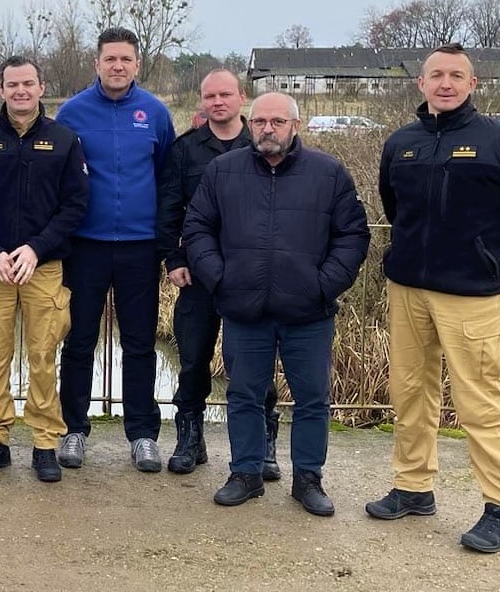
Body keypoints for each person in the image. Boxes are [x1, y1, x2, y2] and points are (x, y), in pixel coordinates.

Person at [366, 44, 500, 553]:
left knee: (482, 401)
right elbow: (394, 207)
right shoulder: (401, 142)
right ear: (420, 83)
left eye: (456, 76)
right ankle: (413, 487)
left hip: (473, 296)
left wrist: (497, 268)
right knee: (409, 391)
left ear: (473, 84)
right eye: (436, 75)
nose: (445, 83)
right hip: (408, 289)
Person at [183, 92, 370, 517]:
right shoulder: (222, 171)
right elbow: (197, 229)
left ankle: (308, 479)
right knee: (244, 395)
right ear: (250, 125)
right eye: (260, 122)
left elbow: (353, 235)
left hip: (308, 311)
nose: (268, 129)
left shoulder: (328, 173)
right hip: (244, 309)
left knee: (312, 398)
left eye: (278, 122)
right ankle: (245, 474)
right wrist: (221, 279)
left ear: (295, 126)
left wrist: (323, 285)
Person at [0, 57, 87, 483]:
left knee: (43, 356)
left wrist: (36, 248)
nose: (20, 91)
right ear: (1, 90)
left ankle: (45, 442)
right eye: (12, 84)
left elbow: (75, 205)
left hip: (43, 267)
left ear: (41, 87)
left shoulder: (65, 140)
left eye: (28, 83)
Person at [54, 27, 175, 472]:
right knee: (79, 340)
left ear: (137, 64)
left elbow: (165, 176)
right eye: (110, 59)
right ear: (97, 63)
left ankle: (142, 434)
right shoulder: (72, 112)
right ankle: (73, 429)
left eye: (125, 59)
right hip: (85, 245)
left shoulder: (155, 113)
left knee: (140, 343)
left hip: (140, 248)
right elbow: (61, 176)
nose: (118, 66)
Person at [155, 69, 279, 477]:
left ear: (242, 97)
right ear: (201, 101)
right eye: (210, 96)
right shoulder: (185, 149)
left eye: (225, 94)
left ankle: (262, 443)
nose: (217, 102)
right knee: (193, 359)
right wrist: (174, 259)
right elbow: (169, 209)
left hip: (253, 275)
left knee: (254, 361)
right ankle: (190, 438)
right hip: (199, 273)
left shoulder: (263, 143)